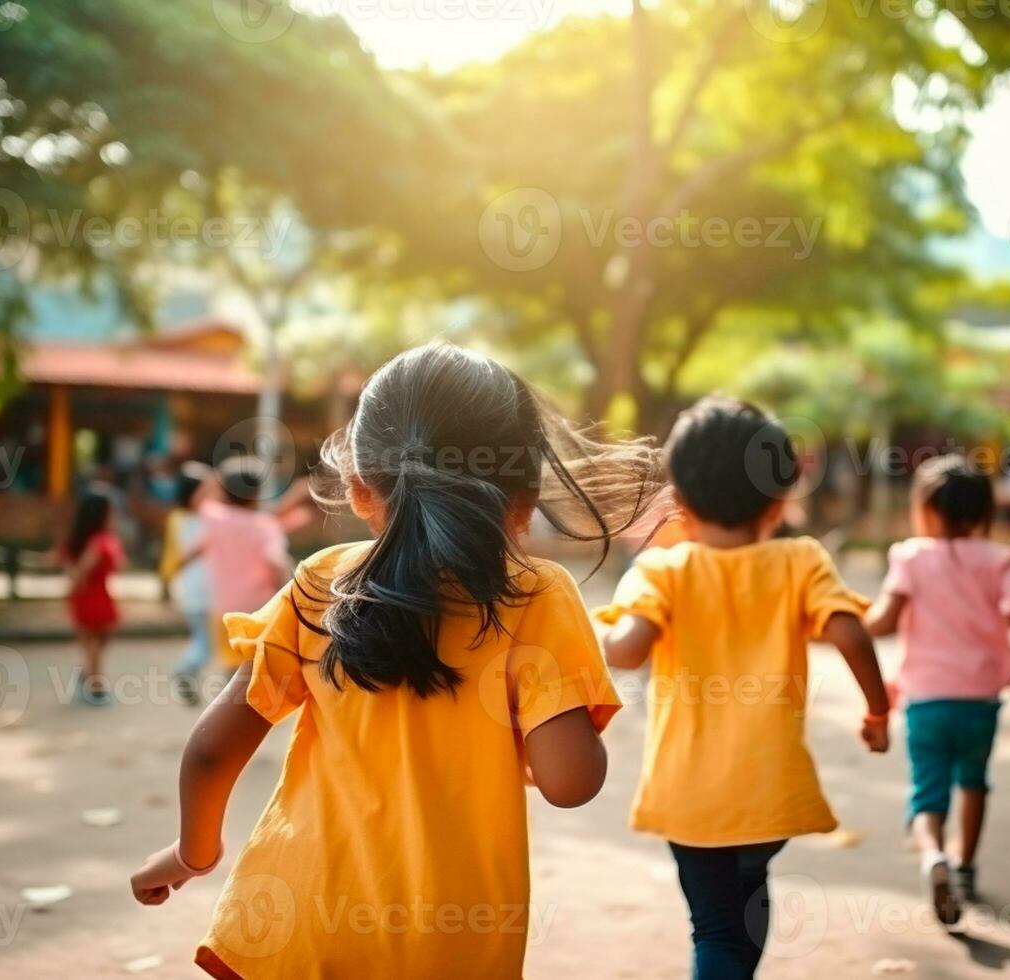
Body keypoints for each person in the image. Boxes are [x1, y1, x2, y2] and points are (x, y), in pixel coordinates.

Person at [129, 343, 659, 979]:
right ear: (523, 500)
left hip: (297, 922)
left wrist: (194, 854)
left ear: (358, 488)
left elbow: (213, 750)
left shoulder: (321, 582)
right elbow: (570, 783)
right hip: (449, 944)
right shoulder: (537, 595)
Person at [597, 397, 890, 980]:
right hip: (769, 794)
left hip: (689, 797)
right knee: (745, 906)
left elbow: (626, 650)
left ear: (678, 504)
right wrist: (878, 712)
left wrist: (588, 634)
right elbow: (853, 635)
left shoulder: (664, 571)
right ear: (780, 500)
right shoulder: (801, 561)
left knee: (715, 928)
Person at [865, 455, 1010, 924]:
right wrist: (1001, 616)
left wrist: (844, 621)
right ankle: (965, 868)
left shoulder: (910, 556)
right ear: (982, 512)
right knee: (974, 783)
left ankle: (933, 858)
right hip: (980, 700)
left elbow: (883, 622)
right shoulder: (998, 557)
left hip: (925, 700)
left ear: (924, 508)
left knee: (927, 795)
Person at [185, 456, 295, 677]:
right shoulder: (264, 525)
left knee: (231, 666)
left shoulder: (214, 517)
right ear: (258, 493)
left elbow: (196, 502)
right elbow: (277, 562)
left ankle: (230, 702)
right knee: (253, 668)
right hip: (258, 607)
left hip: (223, 607)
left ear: (222, 490)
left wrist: (215, 478)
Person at [158, 462, 217, 706]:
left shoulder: (176, 518)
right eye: (207, 490)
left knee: (202, 637)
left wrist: (168, 582)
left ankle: (190, 673)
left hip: (189, 590)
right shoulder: (211, 518)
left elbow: (171, 554)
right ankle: (187, 668)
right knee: (209, 641)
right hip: (208, 589)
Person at [60, 492, 126, 707]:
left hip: (91, 595)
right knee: (95, 642)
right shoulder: (99, 541)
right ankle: (95, 686)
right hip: (93, 596)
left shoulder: (85, 540)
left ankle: (87, 676)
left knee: (95, 641)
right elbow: (81, 571)